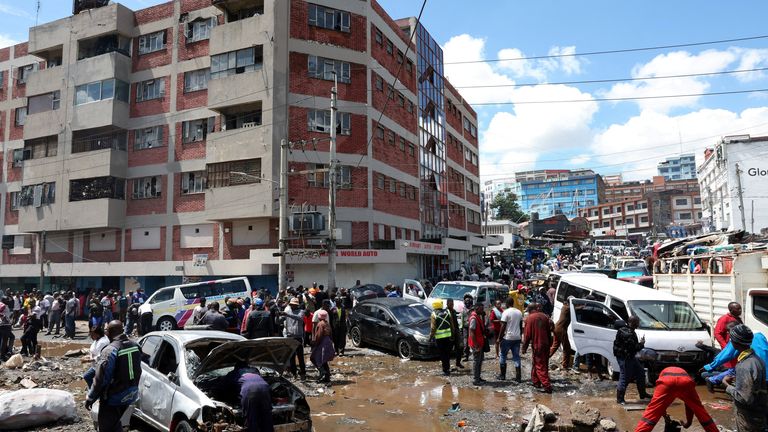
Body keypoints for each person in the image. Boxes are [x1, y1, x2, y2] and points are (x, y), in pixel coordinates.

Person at [85, 321, 142, 432]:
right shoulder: (135, 345)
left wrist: (91, 397)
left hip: (114, 397)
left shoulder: (110, 350)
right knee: (115, 423)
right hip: (131, 394)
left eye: (107, 330)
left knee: (107, 427)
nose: (105, 332)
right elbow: (139, 370)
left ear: (111, 332)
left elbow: (101, 379)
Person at [634, 367, 718, 432]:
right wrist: (688, 423)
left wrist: (664, 414)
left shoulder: (664, 374)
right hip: (685, 382)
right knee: (700, 412)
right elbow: (690, 405)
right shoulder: (684, 374)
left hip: (666, 382)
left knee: (651, 413)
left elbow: (659, 406)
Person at [724, 324, 767, 432]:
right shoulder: (757, 359)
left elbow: (744, 398)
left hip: (749, 416)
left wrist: (727, 385)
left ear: (734, 342)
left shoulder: (745, 365)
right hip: (760, 411)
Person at [223, 361, 274, 432]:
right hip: (265, 388)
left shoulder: (233, 373)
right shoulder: (254, 370)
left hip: (249, 390)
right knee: (267, 417)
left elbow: (225, 387)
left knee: (252, 418)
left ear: (236, 367)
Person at [613, 316, 650, 404]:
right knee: (625, 377)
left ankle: (642, 394)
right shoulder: (628, 334)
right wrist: (642, 344)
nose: (638, 324)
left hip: (630, 356)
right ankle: (620, 399)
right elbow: (634, 348)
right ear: (632, 323)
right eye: (637, 322)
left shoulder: (627, 330)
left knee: (640, 372)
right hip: (625, 358)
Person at [522, 303, 553, 393]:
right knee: (540, 363)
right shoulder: (544, 316)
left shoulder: (530, 318)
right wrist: (550, 344)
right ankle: (536, 382)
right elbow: (549, 332)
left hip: (537, 345)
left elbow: (527, 335)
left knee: (539, 365)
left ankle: (547, 386)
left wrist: (524, 347)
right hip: (546, 344)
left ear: (529, 310)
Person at [497, 297, 523, 382]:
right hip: (517, 338)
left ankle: (502, 375)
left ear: (507, 304)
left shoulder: (506, 312)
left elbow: (503, 326)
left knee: (503, 355)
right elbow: (520, 326)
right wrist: (520, 336)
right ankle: (518, 377)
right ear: (513, 303)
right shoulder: (519, 312)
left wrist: (499, 338)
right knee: (516, 356)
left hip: (508, 338)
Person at [430, 300, 455, 377]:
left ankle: (445, 370)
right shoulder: (447, 311)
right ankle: (448, 368)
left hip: (440, 338)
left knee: (442, 354)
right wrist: (453, 335)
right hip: (448, 337)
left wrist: (430, 337)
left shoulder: (434, 314)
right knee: (447, 353)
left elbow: (433, 328)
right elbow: (452, 325)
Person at [282, 298, 306, 379]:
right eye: (291, 305)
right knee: (291, 356)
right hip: (290, 336)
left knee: (300, 356)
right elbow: (280, 321)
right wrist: (278, 316)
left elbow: (299, 318)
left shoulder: (301, 312)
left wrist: (287, 315)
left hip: (298, 337)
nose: (292, 306)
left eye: (293, 305)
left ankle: (303, 373)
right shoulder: (288, 312)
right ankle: (294, 372)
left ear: (296, 305)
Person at [549, 296, 574, 370]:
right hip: (561, 329)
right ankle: (565, 365)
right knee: (567, 348)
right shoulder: (567, 308)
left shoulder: (565, 307)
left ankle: (544, 358)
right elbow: (576, 309)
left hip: (557, 328)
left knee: (555, 345)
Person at [310, 309, 334, 383]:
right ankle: (327, 377)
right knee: (324, 360)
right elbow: (331, 334)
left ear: (319, 317)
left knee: (313, 357)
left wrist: (315, 343)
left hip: (322, 342)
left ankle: (322, 371)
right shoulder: (327, 323)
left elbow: (319, 335)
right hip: (328, 342)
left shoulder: (320, 324)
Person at [468, 302, 486, 386]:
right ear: (477, 308)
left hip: (479, 342)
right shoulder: (473, 318)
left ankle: (478, 377)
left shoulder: (478, 317)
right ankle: (476, 379)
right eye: (481, 309)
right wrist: (476, 345)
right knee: (476, 361)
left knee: (480, 360)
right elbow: (472, 332)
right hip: (476, 344)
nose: (483, 310)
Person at [446, 299, 464, 369]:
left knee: (459, 348)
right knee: (448, 350)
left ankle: (458, 363)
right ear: (447, 304)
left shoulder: (453, 311)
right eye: (450, 304)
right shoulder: (446, 312)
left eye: (452, 304)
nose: (452, 305)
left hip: (456, 331)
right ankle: (447, 366)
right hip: (449, 333)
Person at [460, 294, 474, 362]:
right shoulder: (463, 309)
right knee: (465, 343)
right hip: (465, 328)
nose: (467, 302)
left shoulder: (474, 309)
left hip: (473, 328)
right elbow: (462, 319)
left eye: (468, 300)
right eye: (465, 300)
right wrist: (461, 328)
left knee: (474, 341)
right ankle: (466, 356)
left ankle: (476, 354)